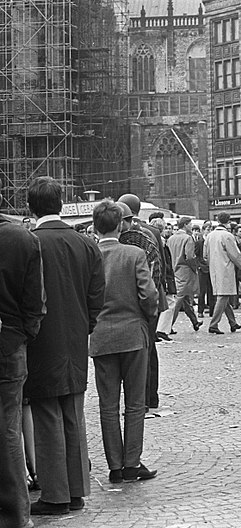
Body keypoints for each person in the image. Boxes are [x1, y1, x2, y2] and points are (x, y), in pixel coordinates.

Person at [25, 176, 105, 515]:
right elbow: (97, 294)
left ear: (31, 207)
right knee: (73, 413)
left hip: (41, 338)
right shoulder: (86, 243)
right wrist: (84, 325)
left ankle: (55, 495)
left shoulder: (30, 242)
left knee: (45, 414)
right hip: (75, 337)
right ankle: (75, 490)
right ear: (61, 203)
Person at [89, 201, 159, 484]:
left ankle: (115, 466)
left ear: (95, 226)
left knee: (107, 405)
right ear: (120, 225)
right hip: (132, 334)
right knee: (134, 402)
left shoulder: (90, 254)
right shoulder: (134, 254)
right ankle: (132, 462)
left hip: (102, 336)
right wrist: (144, 316)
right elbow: (149, 295)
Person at [0, 211, 45, 528]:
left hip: (11, 338)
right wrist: (25, 332)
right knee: (7, 428)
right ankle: (16, 515)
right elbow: (35, 301)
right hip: (10, 341)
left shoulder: (19, 237)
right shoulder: (19, 238)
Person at [118, 194, 167, 410]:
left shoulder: (126, 234)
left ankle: (141, 399)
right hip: (154, 294)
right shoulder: (153, 231)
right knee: (150, 348)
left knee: (141, 350)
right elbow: (161, 265)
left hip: (139, 298)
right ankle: (151, 396)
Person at [204, 212, 241, 334]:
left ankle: (232, 323)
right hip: (225, 269)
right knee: (223, 296)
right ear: (228, 222)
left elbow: (205, 255)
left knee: (224, 296)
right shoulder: (227, 236)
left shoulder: (209, 236)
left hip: (213, 269)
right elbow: (235, 254)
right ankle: (214, 324)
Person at [167, 217, 202, 332]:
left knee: (185, 298)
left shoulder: (171, 238)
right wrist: (194, 268)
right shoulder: (188, 238)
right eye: (190, 224)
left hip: (174, 269)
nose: (191, 226)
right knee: (180, 298)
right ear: (186, 225)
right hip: (185, 271)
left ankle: (195, 321)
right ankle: (167, 325)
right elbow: (190, 256)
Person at [196, 221, 215, 317]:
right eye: (208, 229)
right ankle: (200, 310)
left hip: (211, 268)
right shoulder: (199, 242)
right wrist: (200, 265)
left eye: (211, 229)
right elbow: (197, 256)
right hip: (202, 269)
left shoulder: (212, 241)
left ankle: (212, 310)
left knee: (211, 290)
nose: (209, 231)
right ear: (203, 231)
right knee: (202, 291)